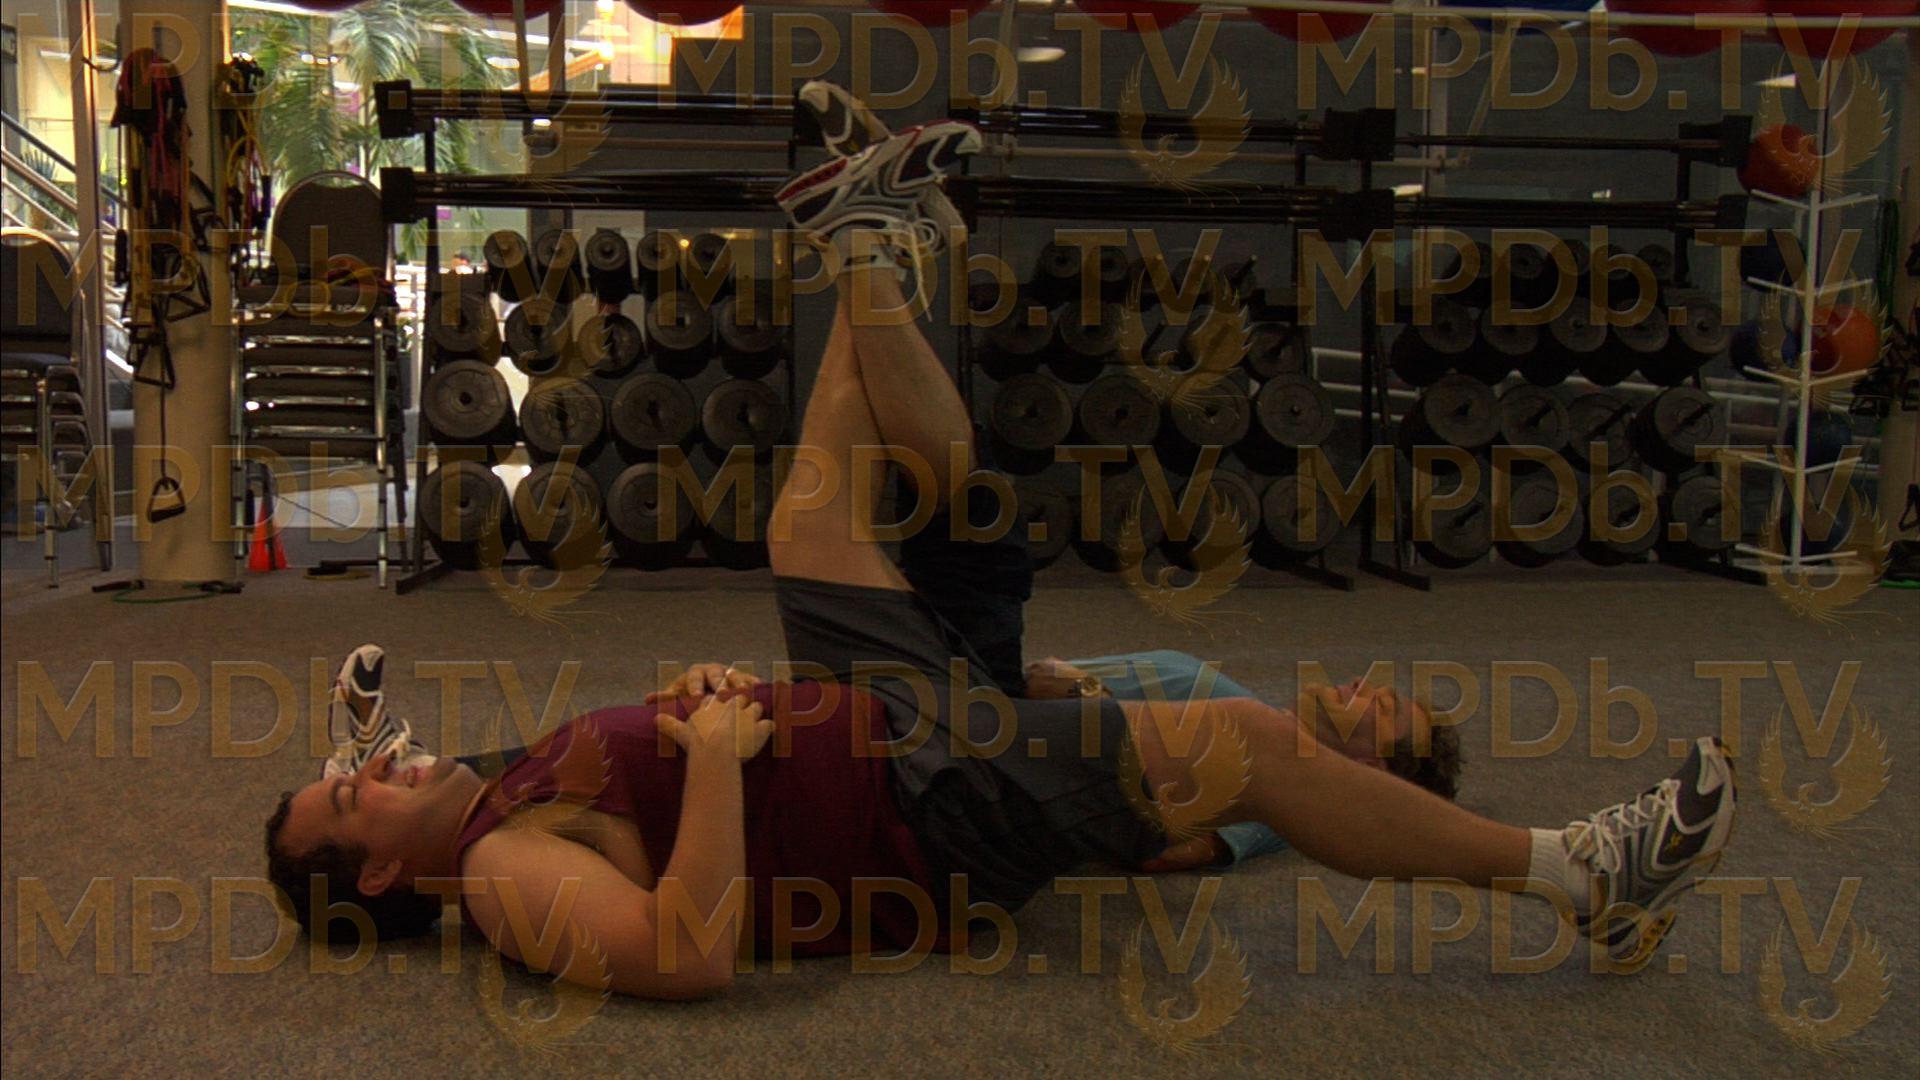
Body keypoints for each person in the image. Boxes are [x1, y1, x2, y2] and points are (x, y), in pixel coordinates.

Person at [265, 84, 1735, 1000]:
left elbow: (547, 785)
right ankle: (1580, 875)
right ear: (381, 880)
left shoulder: (487, 802)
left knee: (811, 509)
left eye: (346, 771)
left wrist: (680, 712)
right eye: (349, 799)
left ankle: (868, 239)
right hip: (924, 805)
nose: (368, 776)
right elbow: (686, 954)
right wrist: (709, 760)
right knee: (1242, 745)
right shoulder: (500, 878)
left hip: (870, 715)